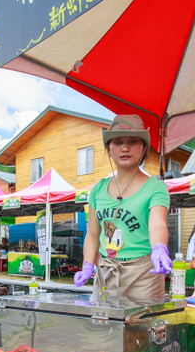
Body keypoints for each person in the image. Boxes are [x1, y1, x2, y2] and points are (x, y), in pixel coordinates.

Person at [74, 115, 172, 302]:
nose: (125, 148)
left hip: (144, 274)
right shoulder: (98, 189)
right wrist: (87, 264)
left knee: (141, 329)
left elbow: (157, 224)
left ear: (143, 147)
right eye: (118, 142)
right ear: (109, 148)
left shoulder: (156, 187)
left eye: (133, 141)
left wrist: (159, 248)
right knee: (104, 329)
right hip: (106, 272)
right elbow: (93, 233)